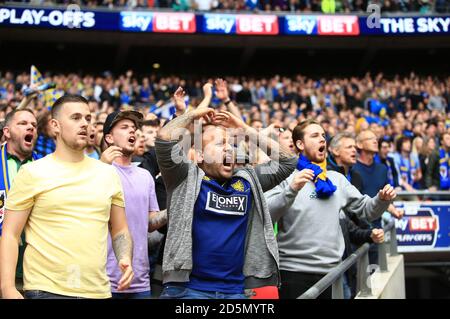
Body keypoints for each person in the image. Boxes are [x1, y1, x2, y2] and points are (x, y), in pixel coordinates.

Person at [0, 95, 134, 299]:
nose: (84, 124)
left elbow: (120, 228)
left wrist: (124, 257)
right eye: (76, 117)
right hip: (46, 290)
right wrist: (7, 287)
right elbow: (10, 234)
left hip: (98, 291)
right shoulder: (32, 173)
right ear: (55, 126)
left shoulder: (108, 173)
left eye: (88, 118)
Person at [156, 106, 297, 299]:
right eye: (220, 144)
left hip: (236, 292)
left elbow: (288, 161)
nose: (229, 148)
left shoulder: (247, 180)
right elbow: (164, 138)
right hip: (187, 290)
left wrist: (243, 128)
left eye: (231, 144)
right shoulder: (183, 177)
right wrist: (193, 115)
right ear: (200, 155)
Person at [264, 120, 397, 299]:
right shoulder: (284, 177)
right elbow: (267, 214)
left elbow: (367, 211)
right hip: (292, 272)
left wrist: (381, 200)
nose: (322, 140)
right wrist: (291, 190)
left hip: (332, 273)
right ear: (300, 144)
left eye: (323, 136)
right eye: (314, 136)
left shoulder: (337, 179)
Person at [101, 110, 166, 299]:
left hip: (140, 281)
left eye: (134, 128)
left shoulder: (145, 176)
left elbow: (151, 222)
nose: (133, 131)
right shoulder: (97, 171)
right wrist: (102, 167)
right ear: (109, 138)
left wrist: (174, 210)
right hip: (104, 280)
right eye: (124, 127)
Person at [0, 109, 38, 293]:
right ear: (6, 132)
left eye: (33, 125)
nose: (30, 126)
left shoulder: (46, 167)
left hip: (35, 274)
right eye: (23, 123)